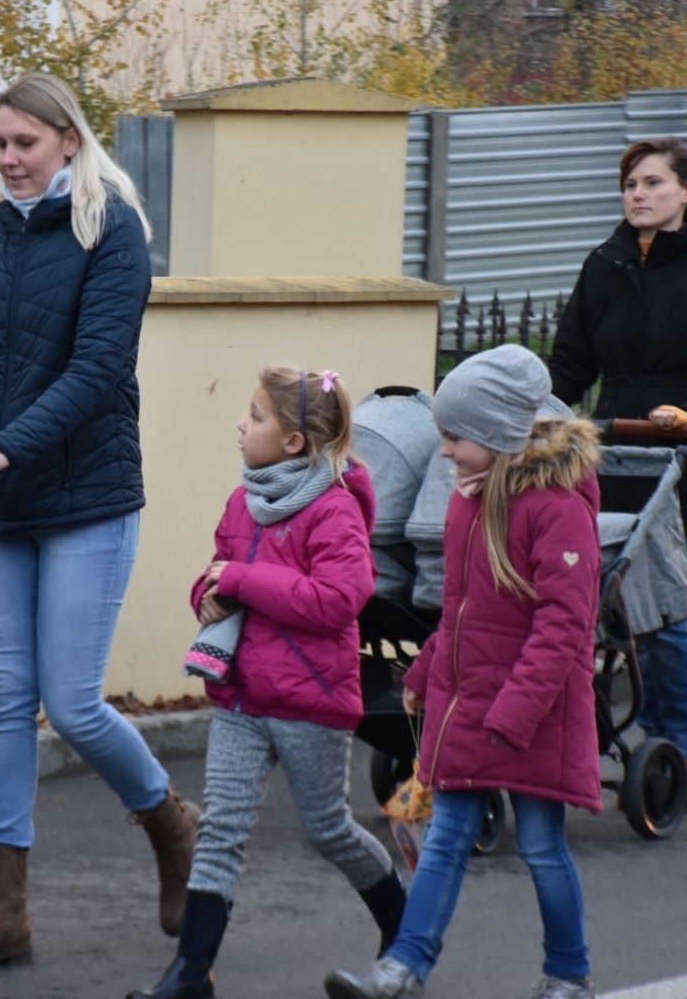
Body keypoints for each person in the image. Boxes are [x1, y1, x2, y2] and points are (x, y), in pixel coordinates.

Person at [0, 72, 198, 965]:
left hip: (87, 496)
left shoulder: (111, 229)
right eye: (0, 144)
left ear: (67, 139)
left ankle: (173, 824)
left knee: (75, 703)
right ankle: (5, 908)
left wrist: (5, 445)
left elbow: (97, 370)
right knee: (7, 701)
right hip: (6, 503)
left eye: (24, 143)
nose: (9, 160)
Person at [325, 345, 604, 999]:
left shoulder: (557, 507)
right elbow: (461, 609)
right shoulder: (469, 500)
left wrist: (514, 712)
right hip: (469, 704)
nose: (443, 450)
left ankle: (569, 972)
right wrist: (422, 670)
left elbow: (565, 627)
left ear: (498, 434)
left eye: (454, 437)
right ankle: (403, 968)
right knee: (445, 837)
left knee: (541, 845)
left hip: (533, 714)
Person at [129, 367, 406, 999]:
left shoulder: (334, 507)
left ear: (293, 442)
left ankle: (405, 931)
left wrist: (240, 582)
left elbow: (340, 599)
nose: (240, 425)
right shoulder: (243, 498)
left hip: (310, 700)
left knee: (328, 829)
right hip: (241, 695)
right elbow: (216, 572)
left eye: (255, 417)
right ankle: (191, 974)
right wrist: (205, 595)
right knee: (221, 829)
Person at [547, 136, 687, 805]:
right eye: (630, 185)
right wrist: (533, 412)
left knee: (661, 615)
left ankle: (682, 744)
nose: (638, 194)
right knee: (595, 613)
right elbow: (571, 362)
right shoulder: (606, 263)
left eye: (653, 183)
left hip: (686, 467)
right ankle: (580, 736)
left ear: (686, 192)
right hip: (613, 462)